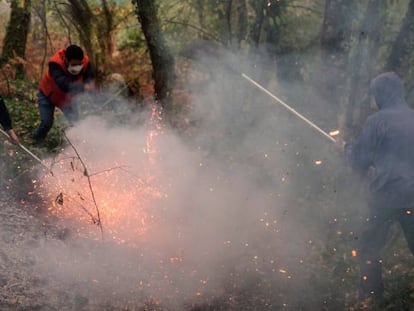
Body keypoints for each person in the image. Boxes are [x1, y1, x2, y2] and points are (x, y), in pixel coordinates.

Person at [344, 72, 414, 302]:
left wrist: (345, 150)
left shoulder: (377, 121)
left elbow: (359, 161)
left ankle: (371, 297)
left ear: (381, 94)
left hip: (384, 197)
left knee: (368, 248)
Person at [32, 44, 94, 142]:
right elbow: (64, 85)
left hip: (67, 99)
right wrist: (83, 87)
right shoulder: (55, 63)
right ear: (66, 60)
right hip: (48, 95)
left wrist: (90, 87)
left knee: (76, 123)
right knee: (46, 123)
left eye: (79, 64)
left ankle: (78, 145)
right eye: (74, 65)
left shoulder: (86, 62)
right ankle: (36, 141)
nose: (77, 67)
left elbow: (89, 78)